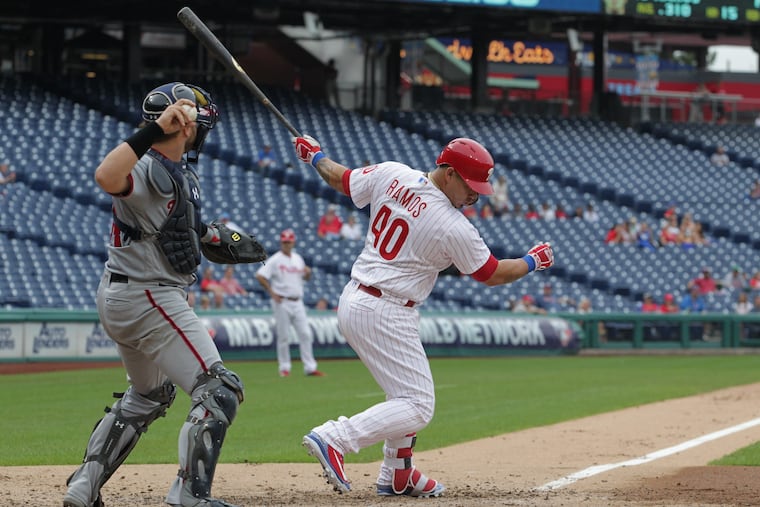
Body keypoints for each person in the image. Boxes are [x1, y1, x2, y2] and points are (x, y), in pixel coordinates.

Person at [291, 134, 554, 497]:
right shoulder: (452, 225)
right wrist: (532, 260)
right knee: (417, 405)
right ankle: (334, 438)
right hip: (386, 309)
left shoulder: (392, 173)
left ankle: (398, 473)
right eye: (470, 186)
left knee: (404, 393)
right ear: (448, 174)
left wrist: (315, 155)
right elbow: (493, 275)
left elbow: (340, 177)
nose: (475, 196)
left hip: (360, 299)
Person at [63, 82, 245, 507]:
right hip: (149, 297)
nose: (203, 129)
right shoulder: (147, 165)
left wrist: (209, 235)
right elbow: (107, 177)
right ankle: (189, 496)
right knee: (217, 390)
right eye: (199, 122)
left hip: (127, 296)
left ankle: (83, 486)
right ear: (184, 126)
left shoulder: (173, 171)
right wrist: (151, 131)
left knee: (148, 395)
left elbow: (170, 226)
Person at [255, 228, 324, 377]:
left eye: (289, 242)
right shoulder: (275, 259)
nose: (287, 244)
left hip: (297, 301)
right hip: (282, 301)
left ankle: (310, 367)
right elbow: (260, 275)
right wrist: (272, 293)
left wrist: (308, 273)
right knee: (284, 336)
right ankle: (284, 368)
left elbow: (304, 279)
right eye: (285, 242)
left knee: (305, 334)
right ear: (281, 242)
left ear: (293, 242)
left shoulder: (298, 259)